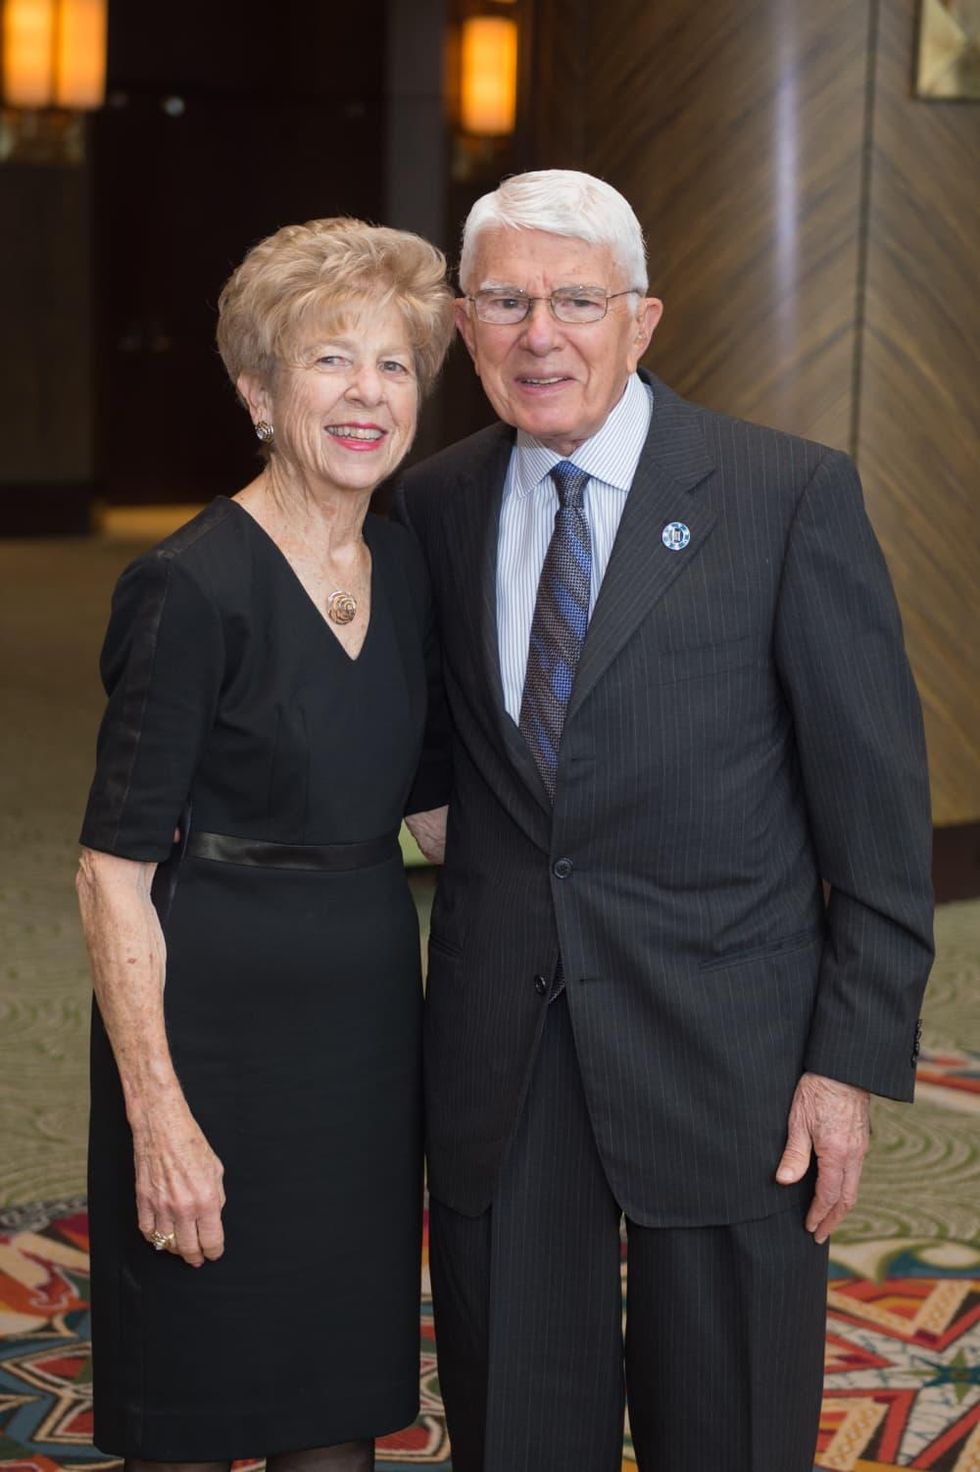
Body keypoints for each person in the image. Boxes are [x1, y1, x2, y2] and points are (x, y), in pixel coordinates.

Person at [397, 170, 934, 1472]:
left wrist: (845, 1069)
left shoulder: (783, 495)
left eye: (576, 301)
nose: (540, 335)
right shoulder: (430, 505)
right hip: (504, 1053)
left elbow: (876, 820)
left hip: (732, 1056)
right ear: (464, 327)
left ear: (642, 319)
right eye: (506, 302)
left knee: (729, 1427)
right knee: (517, 1429)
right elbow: (417, 746)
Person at [76, 217, 454, 1471]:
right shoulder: (190, 585)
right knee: (195, 1408)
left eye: (393, 364)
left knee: (333, 1415)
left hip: (363, 1040)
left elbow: (438, 813)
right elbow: (111, 871)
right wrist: (159, 1117)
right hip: (212, 1038)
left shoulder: (403, 566)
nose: (367, 393)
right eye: (329, 360)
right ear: (257, 391)